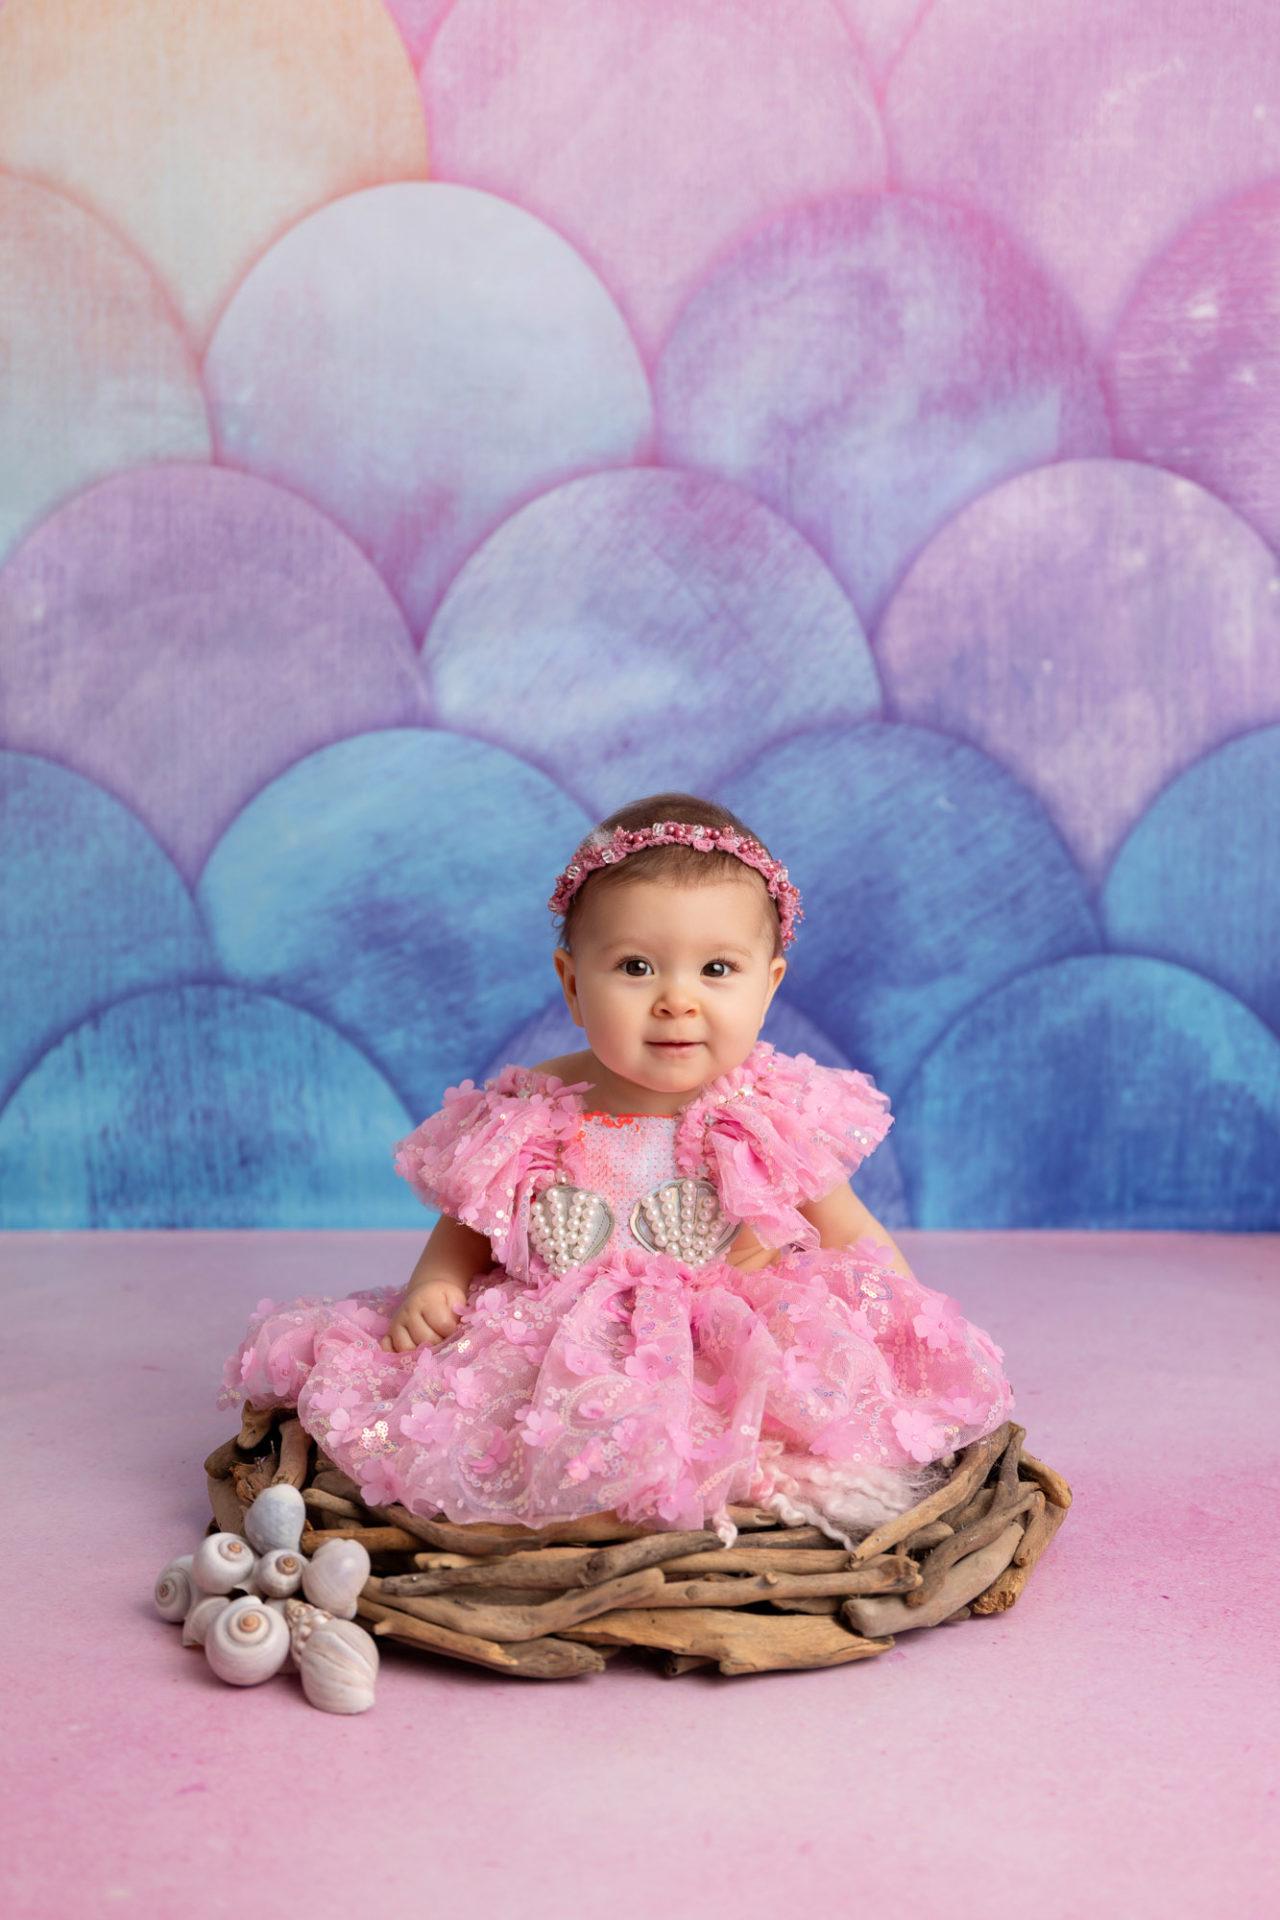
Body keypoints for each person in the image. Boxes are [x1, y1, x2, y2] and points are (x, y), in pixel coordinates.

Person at [217, 792, 1014, 1551]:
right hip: (561, 1339)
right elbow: (471, 1221)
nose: (676, 1000)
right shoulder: (536, 1113)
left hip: (722, 1340)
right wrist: (437, 1283)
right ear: (571, 983)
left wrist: (902, 1310)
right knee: (495, 1420)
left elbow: (849, 1231)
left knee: (780, 1398)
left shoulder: (762, 1112)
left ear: (769, 986)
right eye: (635, 968)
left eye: (717, 970)